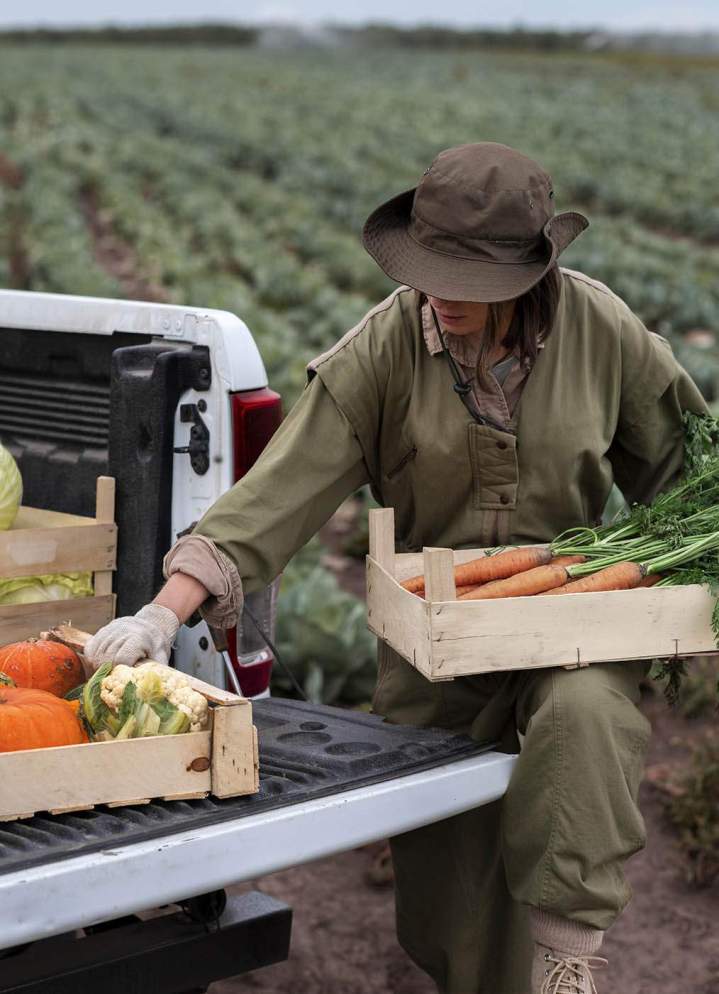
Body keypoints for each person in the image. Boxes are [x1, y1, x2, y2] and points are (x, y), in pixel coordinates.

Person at [86, 142, 706, 994]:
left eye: (470, 281)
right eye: (429, 271)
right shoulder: (382, 347)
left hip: (568, 623)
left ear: (529, 272)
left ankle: (568, 958)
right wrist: (164, 610)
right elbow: (282, 490)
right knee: (449, 914)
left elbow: (691, 481)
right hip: (433, 640)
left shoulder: (605, 334)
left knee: (584, 717)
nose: (443, 296)